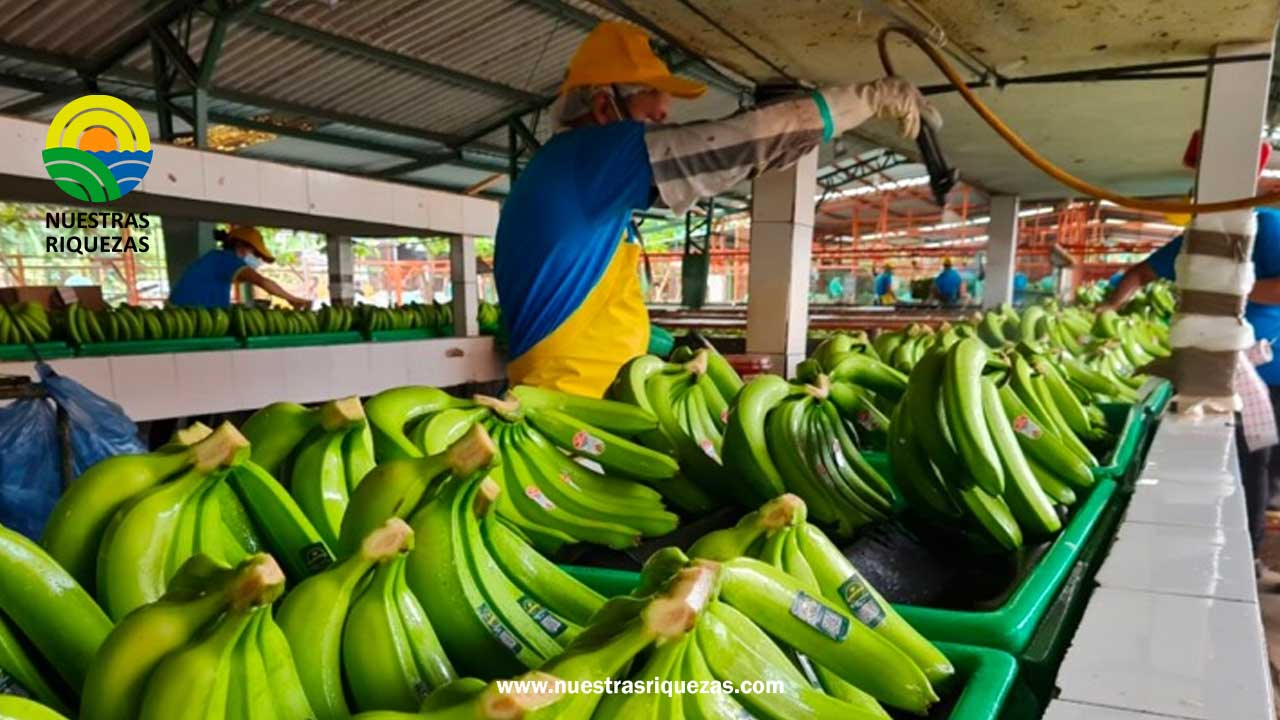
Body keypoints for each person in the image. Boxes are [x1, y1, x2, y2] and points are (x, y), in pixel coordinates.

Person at [493, 21, 939, 396]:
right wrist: (865, 101)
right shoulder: (590, 157)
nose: (662, 123)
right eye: (652, 114)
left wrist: (666, 345)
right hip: (569, 401)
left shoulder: (577, 181)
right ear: (605, 107)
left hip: (593, 390)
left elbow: (578, 304)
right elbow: (733, 145)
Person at [1103, 207, 1280, 585]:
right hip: (1209, 374)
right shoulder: (1201, 236)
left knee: (1255, 467)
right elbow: (1141, 273)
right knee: (1227, 468)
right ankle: (1216, 553)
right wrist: (1109, 308)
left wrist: (1223, 287)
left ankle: (1246, 557)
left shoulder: (1267, 225)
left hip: (1265, 371)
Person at [169, 225, 309, 309]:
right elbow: (263, 282)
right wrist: (292, 299)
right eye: (255, 254)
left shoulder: (215, 258)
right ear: (240, 246)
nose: (257, 259)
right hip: (190, 318)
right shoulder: (227, 260)